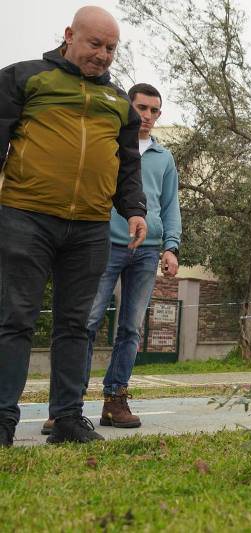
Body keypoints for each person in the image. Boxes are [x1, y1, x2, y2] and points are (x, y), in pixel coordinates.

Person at [0, 6, 147, 446]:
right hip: (26, 215)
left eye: (111, 48)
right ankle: (2, 420)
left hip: (89, 226)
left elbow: (127, 164)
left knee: (77, 325)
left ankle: (67, 419)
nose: (102, 55)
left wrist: (134, 208)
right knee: (15, 319)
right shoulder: (25, 77)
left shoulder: (120, 101)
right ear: (69, 35)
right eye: (95, 44)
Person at [40, 83, 181, 434]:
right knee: (84, 324)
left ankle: (115, 400)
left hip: (147, 251)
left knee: (130, 329)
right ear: (128, 109)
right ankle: (65, 408)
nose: (147, 116)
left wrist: (171, 246)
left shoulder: (164, 158)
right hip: (104, 245)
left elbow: (170, 205)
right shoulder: (111, 145)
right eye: (141, 109)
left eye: (153, 110)